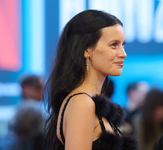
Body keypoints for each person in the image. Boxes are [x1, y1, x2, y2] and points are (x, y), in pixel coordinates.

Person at [44, 9, 139, 150]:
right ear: (87, 49)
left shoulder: (87, 101)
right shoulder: (82, 103)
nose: (123, 53)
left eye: (123, 45)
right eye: (114, 45)